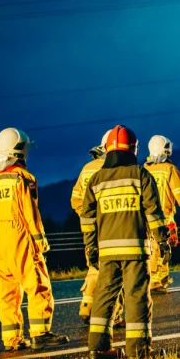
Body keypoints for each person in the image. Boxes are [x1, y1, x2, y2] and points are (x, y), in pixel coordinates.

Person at [80, 124, 169, 359]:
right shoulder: (141, 175)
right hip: (136, 251)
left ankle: (97, 349)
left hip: (106, 252)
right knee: (137, 296)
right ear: (133, 149)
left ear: (107, 149)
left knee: (104, 297)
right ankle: (138, 352)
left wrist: (90, 247)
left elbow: (87, 219)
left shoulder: (97, 180)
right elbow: (154, 213)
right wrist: (164, 241)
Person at [0, 128, 69, 352]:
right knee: (38, 285)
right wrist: (40, 240)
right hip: (20, 238)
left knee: (7, 292)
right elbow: (30, 213)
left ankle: (11, 340)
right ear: (20, 150)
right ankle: (40, 334)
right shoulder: (23, 178)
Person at [71, 130, 124, 324]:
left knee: (94, 266)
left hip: (89, 228)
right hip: (111, 227)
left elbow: (75, 199)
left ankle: (87, 305)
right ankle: (115, 315)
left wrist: (87, 217)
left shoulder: (86, 168)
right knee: (115, 270)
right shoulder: (113, 168)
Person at [144, 135, 180, 293]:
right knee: (160, 247)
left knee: (154, 248)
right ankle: (155, 282)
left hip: (144, 217)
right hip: (163, 217)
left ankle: (160, 279)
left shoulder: (144, 169)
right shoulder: (169, 169)